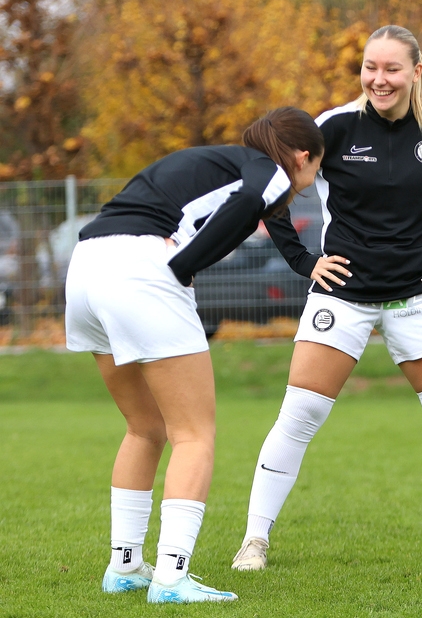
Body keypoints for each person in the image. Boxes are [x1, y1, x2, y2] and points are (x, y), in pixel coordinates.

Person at [231, 25, 422, 572]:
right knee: (300, 415)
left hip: (415, 297)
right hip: (343, 296)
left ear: (416, 72)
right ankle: (254, 541)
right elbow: (274, 190)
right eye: (369, 67)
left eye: (391, 69)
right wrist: (303, 260)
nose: (378, 79)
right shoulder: (333, 126)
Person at [65, 107, 325, 603]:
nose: (310, 180)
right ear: (302, 155)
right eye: (316, 168)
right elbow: (253, 199)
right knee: (194, 434)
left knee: (145, 426)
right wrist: (184, 266)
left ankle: (125, 567)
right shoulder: (272, 170)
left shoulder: (211, 158)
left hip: (86, 268)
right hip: (141, 270)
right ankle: (170, 578)